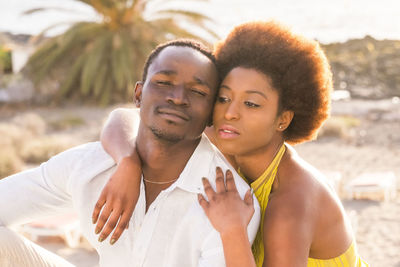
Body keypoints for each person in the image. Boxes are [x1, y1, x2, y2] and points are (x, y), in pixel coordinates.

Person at [92, 21, 369, 267]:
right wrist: (127, 162)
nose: (231, 112)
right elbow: (122, 119)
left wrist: (232, 229)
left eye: (251, 103)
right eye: (223, 98)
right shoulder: (228, 137)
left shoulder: (290, 203)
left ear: (283, 119)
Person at [0, 39, 260, 267]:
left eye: (197, 91)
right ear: (138, 95)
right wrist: (128, 163)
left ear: (211, 113)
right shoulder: (90, 165)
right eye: (163, 82)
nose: (178, 97)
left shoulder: (230, 202)